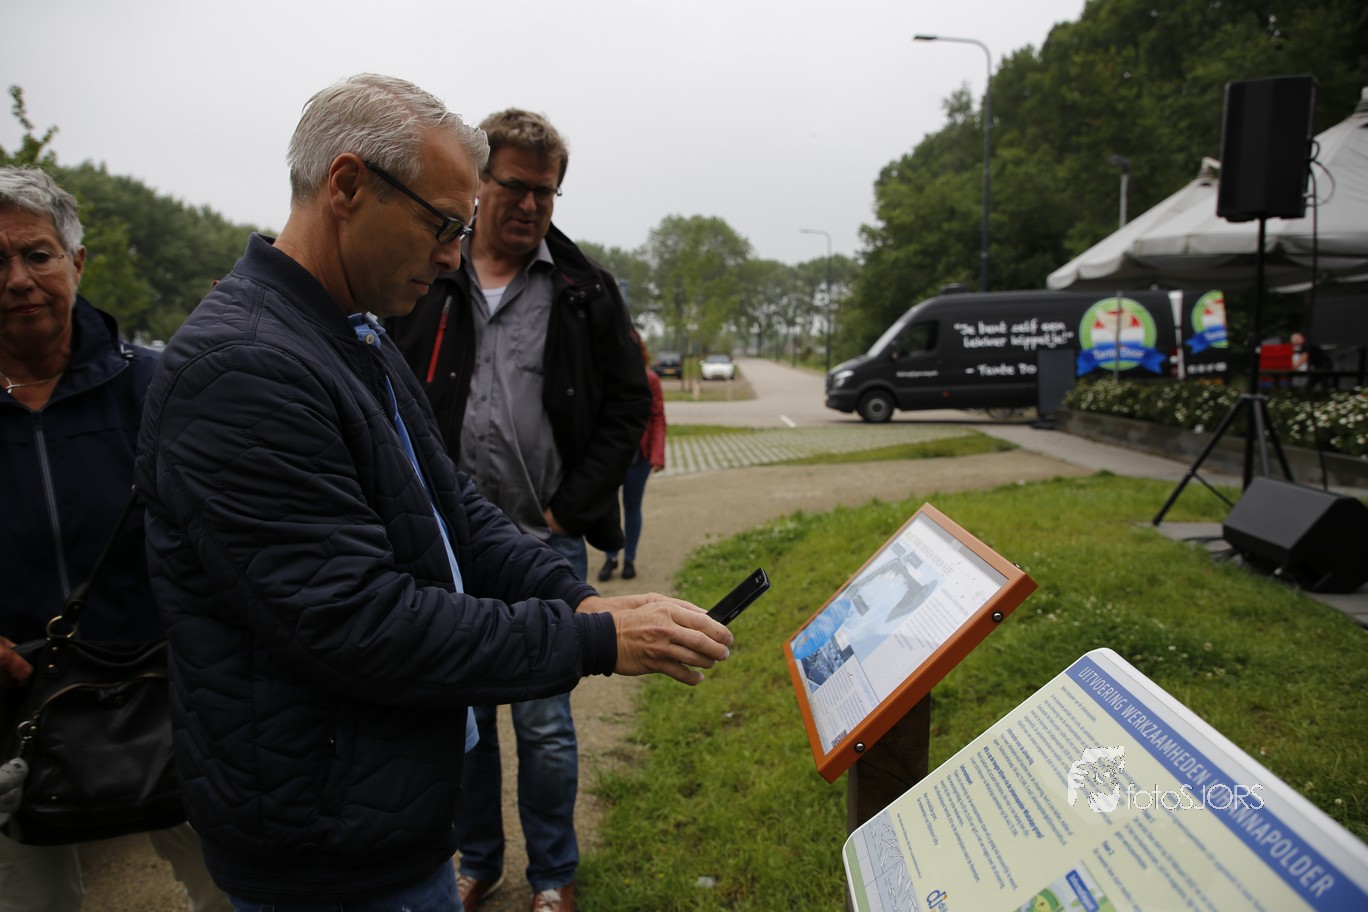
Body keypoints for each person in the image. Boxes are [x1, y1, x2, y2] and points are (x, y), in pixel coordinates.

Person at [134, 75, 732, 911]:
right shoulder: (246, 369)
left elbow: (452, 508)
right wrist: (589, 641)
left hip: (379, 812)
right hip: (325, 850)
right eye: (443, 225)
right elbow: (360, 623)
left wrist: (577, 598)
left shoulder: (350, 331)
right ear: (348, 186)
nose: (453, 255)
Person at [385, 107, 648, 912]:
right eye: (516, 186)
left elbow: (628, 403)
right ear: (479, 184)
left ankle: (554, 876)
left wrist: (572, 509)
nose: (531, 204)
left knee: (544, 725)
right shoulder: (428, 275)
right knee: (463, 721)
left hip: (542, 543)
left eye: (547, 191)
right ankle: (479, 861)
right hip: (448, 544)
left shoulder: (583, 289)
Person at [0, 166, 229, 911]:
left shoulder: (160, 389)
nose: (18, 279)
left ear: (77, 261)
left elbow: (227, 535)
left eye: (37, 254)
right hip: (11, 715)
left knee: (233, 889)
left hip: (163, 699)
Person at [599, 333, 668, 582]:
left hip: (639, 458)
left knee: (632, 506)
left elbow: (658, 417)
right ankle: (611, 557)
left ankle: (629, 558)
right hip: (610, 457)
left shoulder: (651, 380)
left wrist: (657, 454)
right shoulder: (606, 377)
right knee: (609, 507)